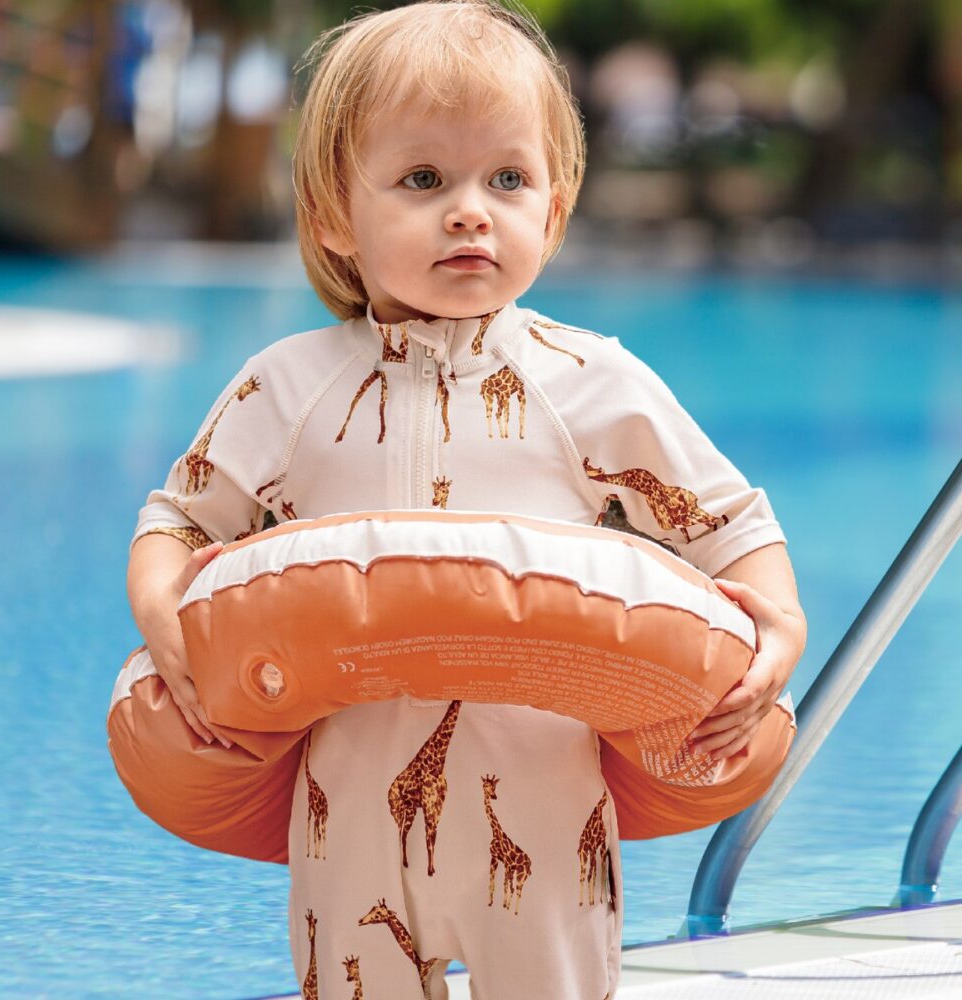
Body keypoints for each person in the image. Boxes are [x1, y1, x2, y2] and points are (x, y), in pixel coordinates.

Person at [125, 2, 807, 997]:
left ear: (554, 209)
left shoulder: (591, 382)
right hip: (347, 802)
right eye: (422, 180)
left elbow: (729, 524)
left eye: (506, 179)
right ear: (328, 214)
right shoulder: (288, 384)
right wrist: (161, 608)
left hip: (543, 797)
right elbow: (180, 520)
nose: (468, 210)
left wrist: (777, 622)